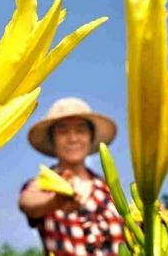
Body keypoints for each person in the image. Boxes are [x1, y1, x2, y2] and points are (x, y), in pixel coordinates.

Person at [18, 97, 125, 255]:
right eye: (63, 131)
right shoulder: (44, 183)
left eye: (80, 130)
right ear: (53, 140)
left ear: (90, 137)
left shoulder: (107, 188)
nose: (73, 138)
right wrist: (54, 201)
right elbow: (27, 201)